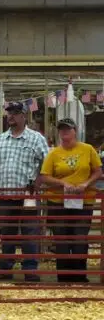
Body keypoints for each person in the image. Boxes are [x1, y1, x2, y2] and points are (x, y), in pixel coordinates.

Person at [0, 101, 49, 282]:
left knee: (30, 232)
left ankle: (30, 269)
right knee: (7, 232)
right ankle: (6, 267)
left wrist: (37, 183)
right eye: (9, 112)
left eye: (15, 112)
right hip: (5, 194)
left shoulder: (36, 138)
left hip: (28, 194)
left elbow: (46, 165)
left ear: (23, 116)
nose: (10, 116)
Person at [38, 118, 102, 283]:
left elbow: (98, 171)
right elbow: (44, 176)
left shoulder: (87, 149)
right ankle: (64, 276)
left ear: (75, 131)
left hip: (83, 200)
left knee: (80, 238)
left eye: (68, 129)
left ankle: (80, 275)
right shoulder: (53, 153)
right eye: (62, 129)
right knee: (61, 239)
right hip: (58, 201)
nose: (64, 132)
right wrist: (62, 183)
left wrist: (86, 184)